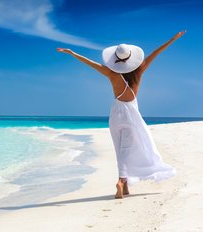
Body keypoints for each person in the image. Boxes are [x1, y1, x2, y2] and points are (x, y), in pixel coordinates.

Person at [57, 30, 186, 199]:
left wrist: (72, 53)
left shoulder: (112, 74)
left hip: (116, 114)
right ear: (132, 58)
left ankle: (123, 184)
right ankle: (121, 182)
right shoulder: (139, 71)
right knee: (128, 148)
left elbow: (90, 63)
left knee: (120, 150)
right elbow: (156, 52)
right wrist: (172, 39)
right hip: (131, 114)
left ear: (116, 59)